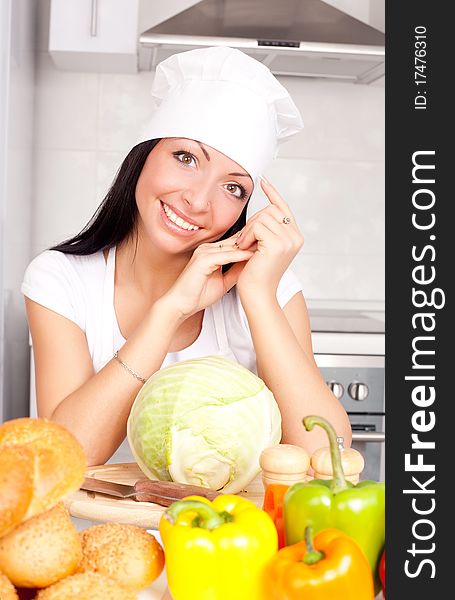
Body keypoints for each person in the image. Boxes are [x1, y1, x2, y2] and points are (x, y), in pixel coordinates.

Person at [22, 46, 351, 467]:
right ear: (143, 156)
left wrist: (259, 297)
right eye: (186, 158)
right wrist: (170, 310)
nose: (198, 201)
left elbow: (326, 458)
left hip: (233, 532)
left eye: (233, 188)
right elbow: (66, 457)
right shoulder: (61, 280)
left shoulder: (271, 288)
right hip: (100, 532)